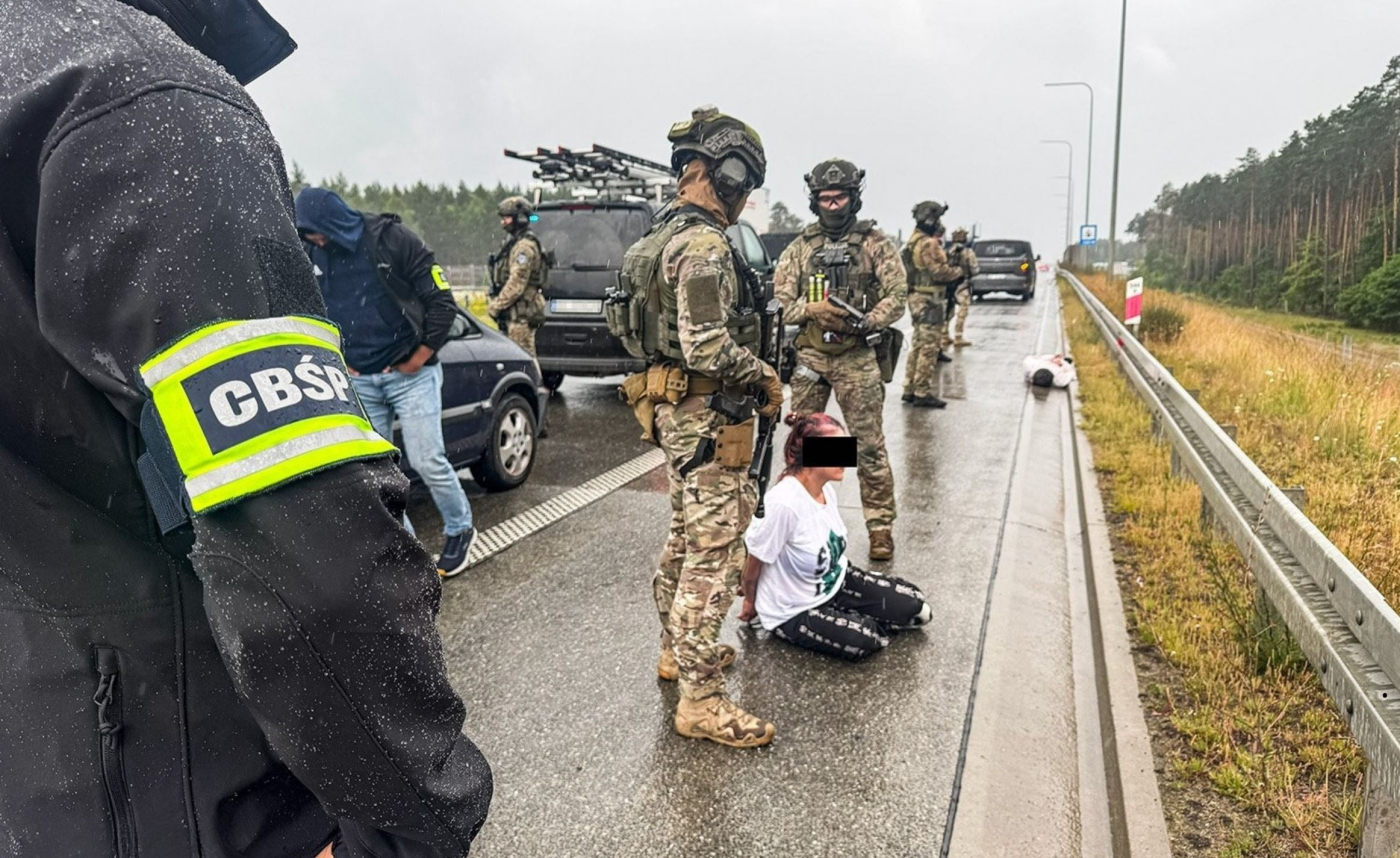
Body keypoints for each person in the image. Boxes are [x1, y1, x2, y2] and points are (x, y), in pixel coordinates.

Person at [0, 3, 493, 856]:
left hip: (49, 765)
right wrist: (414, 825)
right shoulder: (138, 95)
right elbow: (315, 564)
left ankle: (454, 529)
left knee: (424, 464)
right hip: (178, 791)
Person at [620, 106, 783, 748]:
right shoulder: (705, 245)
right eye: (746, 183)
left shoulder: (662, 234)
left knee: (686, 538)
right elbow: (708, 345)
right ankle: (702, 700)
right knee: (715, 556)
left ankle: (677, 653)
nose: (745, 197)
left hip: (674, 411)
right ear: (730, 174)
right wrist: (765, 376)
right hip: (710, 415)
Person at [295, 187, 477, 577]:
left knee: (427, 460)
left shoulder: (392, 240)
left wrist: (419, 357)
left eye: (317, 232)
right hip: (360, 379)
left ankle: (461, 528)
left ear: (334, 220)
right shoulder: (311, 253)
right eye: (308, 235)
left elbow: (442, 302)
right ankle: (408, 549)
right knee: (378, 474)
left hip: (411, 375)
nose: (316, 241)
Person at [773, 158, 907, 561]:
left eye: (840, 198)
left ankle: (880, 527)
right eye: (825, 199)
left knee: (866, 446)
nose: (832, 206)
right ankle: (805, 525)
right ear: (815, 201)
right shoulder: (801, 248)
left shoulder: (875, 244)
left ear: (854, 199)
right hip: (813, 358)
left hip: (856, 356)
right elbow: (781, 305)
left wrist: (870, 320)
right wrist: (810, 310)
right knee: (807, 449)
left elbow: (898, 294)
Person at [739, 413, 931, 658]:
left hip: (834, 582)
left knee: (915, 604)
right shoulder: (783, 504)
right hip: (793, 608)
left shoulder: (826, 490)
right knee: (867, 639)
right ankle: (843, 620)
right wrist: (751, 601)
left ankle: (851, 612)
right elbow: (753, 564)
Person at [901, 201, 963, 408]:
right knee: (929, 348)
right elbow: (938, 272)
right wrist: (958, 272)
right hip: (929, 299)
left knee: (918, 344)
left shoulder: (913, 240)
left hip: (917, 298)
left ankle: (909, 388)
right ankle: (922, 391)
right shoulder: (928, 243)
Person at [488, 196, 549, 356]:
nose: (503, 222)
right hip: (513, 314)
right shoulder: (513, 243)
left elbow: (517, 283)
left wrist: (496, 306)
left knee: (522, 358)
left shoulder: (524, 247)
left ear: (520, 219)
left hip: (521, 315)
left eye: (507, 218)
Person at [944, 226, 980, 348]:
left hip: (948, 285)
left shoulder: (947, 252)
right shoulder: (968, 252)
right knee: (963, 310)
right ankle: (958, 336)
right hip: (962, 285)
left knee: (948, 310)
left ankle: (944, 336)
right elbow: (975, 269)